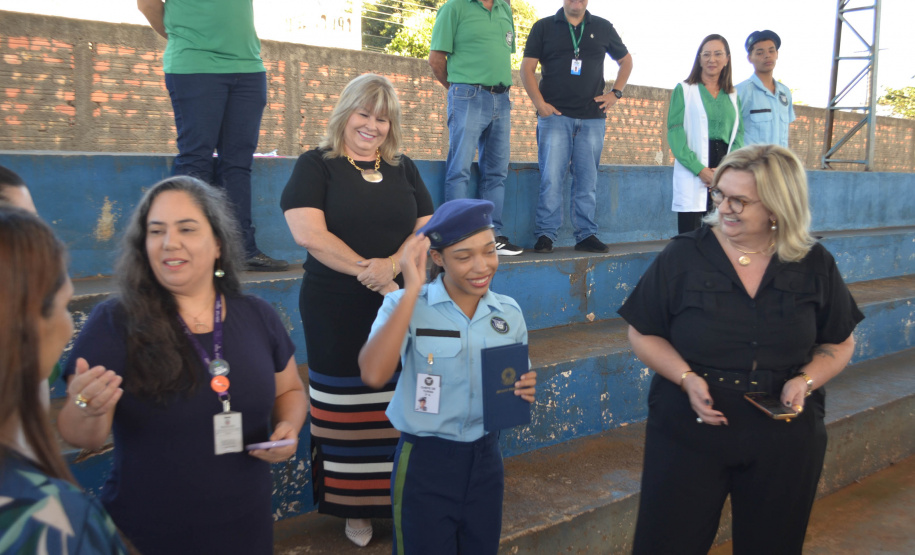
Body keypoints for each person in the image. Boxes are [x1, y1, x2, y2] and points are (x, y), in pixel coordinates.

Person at [618, 145, 864, 554]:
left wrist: (805, 381)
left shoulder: (813, 261)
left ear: (775, 206)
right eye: (719, 195)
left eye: (739, 200)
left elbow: (839, 341)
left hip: (783, 433)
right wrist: (686, 378)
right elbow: (642, 333)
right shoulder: (684, 255)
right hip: (690, 427)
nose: (724, 208)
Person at [57, 176, 307, 555]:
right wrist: (85, 407)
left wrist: (289, 426)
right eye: (156, 231)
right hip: (148, 535)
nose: (169, 242)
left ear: (218, 243)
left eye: (187, 229)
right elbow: (81, 435)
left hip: (246, 528)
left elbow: (289, 389)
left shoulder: (257, 315)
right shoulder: (115, 322)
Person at [280, 73, 434, 547]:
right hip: (335, 308)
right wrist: (370, 272)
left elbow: (427, 228)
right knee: (345, 408)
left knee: (396, 402)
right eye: (364, 114)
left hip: (397, 302)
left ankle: (398, 498)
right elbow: (308, 234)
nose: (372, 125)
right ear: (346, 113)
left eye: (382, 118)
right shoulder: (317, 165)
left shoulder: (404, 168)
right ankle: (353, 509)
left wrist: (391, 267)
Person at [359, 198, 537, 554]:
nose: (481, 266)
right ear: (437, 258)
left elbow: (517, 374)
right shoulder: (403, 305)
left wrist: (526, 386)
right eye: (464, 256)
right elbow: (373, 372)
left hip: (486, 460)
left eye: (489, 251)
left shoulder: (509, 313)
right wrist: (410, 291)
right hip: (425, 461)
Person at [0, 207, 127, 554]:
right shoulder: (55, 522)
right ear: (30, 324)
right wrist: (85, 405)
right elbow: (80, 429)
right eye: (65, 306)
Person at [137, 0, 288, 271]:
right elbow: (147, 4)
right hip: (195, 64)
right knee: (196, 158)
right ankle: (184, 249)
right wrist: (185, 35)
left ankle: (241, 249)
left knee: (238, 163)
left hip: (249, 67)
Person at [521, 0, 633, 254]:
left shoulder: (603, 27)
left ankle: (585, 235)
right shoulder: (543, 27)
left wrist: (616, 93)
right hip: (555, 117)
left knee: (587, 180)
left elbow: (626, 61)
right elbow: (526, 69)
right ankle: (546, 235)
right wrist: (540, 105)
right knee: (551, 178)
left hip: (592, 118)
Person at [428, 0, 523, 256]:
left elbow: (500, 53)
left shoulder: (505, 9)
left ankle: (492, 236)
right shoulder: (454, 7)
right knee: (459, 169)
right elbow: (436, 60)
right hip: (467, 94)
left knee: (496, 173)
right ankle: (457, 236)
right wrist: (459, 90)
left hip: (502, 98)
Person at [669, 34, 744, 234]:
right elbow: (675, 133)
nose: (712, 59)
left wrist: (724, 169)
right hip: (694, 169)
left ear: (727, 59)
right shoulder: (684, 90)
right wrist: (700, 170)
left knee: (719, 234)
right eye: (706, 54)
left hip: (723, 169)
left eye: (718, 54)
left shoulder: (733, 95)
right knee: (690, 235)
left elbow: (738, 136)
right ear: (699, 59)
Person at [737, 30, 795, 147]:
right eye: (760, 52)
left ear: (777, 54)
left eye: (771, 51)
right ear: (749, 58)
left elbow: (786, 133)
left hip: (779, 163)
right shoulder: (740, 92)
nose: (767, 55)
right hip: (751, 164)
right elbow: (731, 133)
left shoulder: (785, 92)